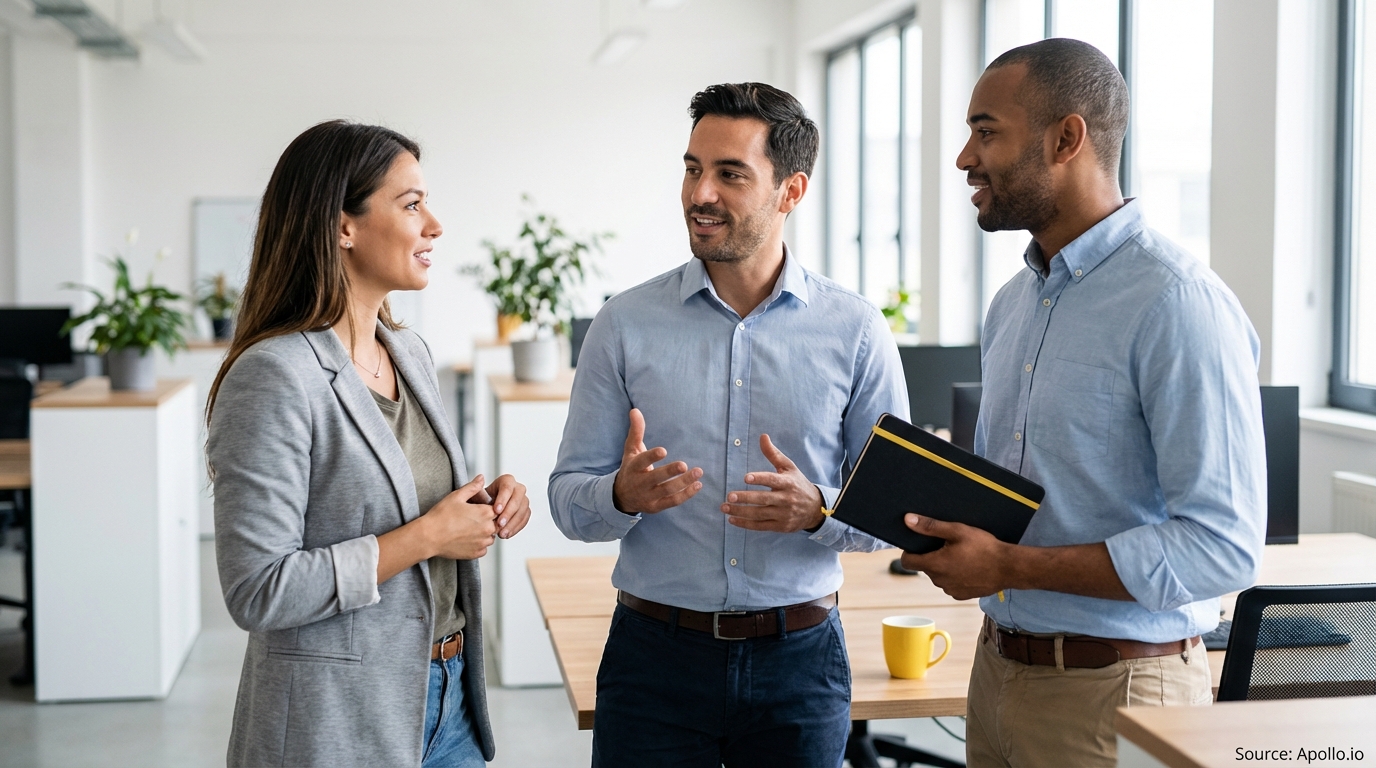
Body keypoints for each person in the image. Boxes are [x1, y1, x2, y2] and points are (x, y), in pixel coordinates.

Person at [898, 39, 1267, 767]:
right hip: (998, 673)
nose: (966, 158)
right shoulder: (1012, 304)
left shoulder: (1177, 303)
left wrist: (1008, 566)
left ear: (1066, 138)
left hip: (1121, 691)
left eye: (986, 131)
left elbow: (1223, 544)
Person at [548, 82, 908, 767]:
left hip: (799, 665)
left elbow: (897, 513)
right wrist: (621, 496)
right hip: (653, 659)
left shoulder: (856, 332)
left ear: (791, 191)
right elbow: (569, 501)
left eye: (729, 174)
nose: (699, 193)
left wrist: (818, 510)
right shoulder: (623, 326)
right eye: (692, 169)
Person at [206, 120, 532, 767]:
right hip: (335, 718)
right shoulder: (274, 375)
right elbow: (257, 589)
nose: (434, 225)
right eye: (411, 204)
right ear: (342, 226)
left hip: (448, 700)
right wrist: (429, 536)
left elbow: (408, 500)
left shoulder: (407, 351)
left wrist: (485, 503)